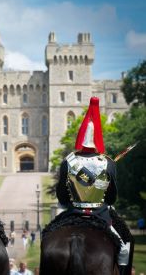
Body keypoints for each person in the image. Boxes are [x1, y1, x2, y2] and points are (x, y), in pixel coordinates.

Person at [56, 97, 131, 275]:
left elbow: (61, 195)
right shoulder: (108, 163)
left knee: (48, 237)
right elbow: (112, 196)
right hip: (101, 215)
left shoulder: (68, 161)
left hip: (73, 213)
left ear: (80, 138)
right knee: (124, 246)